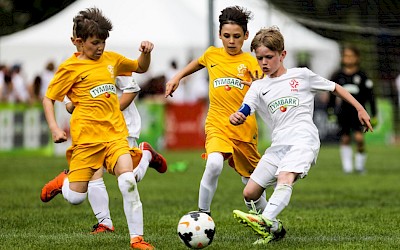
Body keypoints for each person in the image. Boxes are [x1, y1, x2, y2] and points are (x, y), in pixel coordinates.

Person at [229, 26, 373, 245]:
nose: (264, 62)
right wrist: (238, 115)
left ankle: (265, 220)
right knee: (250, 193)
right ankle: (274, 229)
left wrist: (360, 108)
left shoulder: (302, 75)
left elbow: (335, 87)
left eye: (269, 57)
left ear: (282, 55)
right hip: (279, 144)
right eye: (260, 58)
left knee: (285, 177)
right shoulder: (258, 86)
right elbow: (246, 107)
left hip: (303, 139)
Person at [39, 8, 166, 249]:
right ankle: (64, 181)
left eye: (104, 42)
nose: (100, 47)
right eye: (95, 42)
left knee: (127, 179)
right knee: (76, 198)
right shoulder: (69, 69)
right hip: (86, 142)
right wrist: (55, 129)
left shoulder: (112, 60)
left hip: (115, 136)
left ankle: (137, 239)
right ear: (78, 42)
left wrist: (146, 53)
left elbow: (140, 67)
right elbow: (49, 99)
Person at [165, 6, 264, 215]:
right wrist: (176, 78)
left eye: (237, 36)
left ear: (246, 36)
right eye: (226, 36)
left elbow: (265, 88)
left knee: (253, 185)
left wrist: (260, 86)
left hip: (245, 128)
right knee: (214, 164)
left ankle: (269, 219)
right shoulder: (212, 54)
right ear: (219, 35)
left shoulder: (251, 61)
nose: (231, 41)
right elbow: (198, 63)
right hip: (217, 123)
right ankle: (203, 214)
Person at [327, 45, 377, 174]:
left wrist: (374, 113)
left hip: (358, 113)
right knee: (345, 138)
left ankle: (360, 166)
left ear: (357, 58)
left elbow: (371, 97)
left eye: (351, 56)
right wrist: (330, 110)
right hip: (343, 112)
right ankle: (347, 167)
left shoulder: (362, 75)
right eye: (346, 56)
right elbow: (331, 94)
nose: (348, 59)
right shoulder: (337, 75)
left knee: (359, 139)